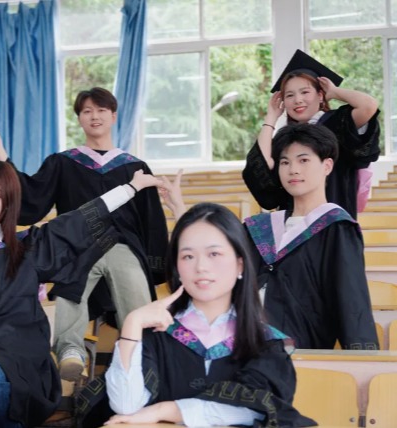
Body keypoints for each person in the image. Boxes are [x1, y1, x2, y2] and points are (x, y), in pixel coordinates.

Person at [0, 159, 163, 428]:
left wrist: (131, 188)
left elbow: (78, 220)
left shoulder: (27, 248)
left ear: (9, 202)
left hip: (13, 355)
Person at [0, 87, 168, 381]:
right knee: (69, 280)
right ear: (79, 118)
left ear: (114, 116)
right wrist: (1, 154)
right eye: (87, 111)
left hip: (121, 245)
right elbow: (31, 197)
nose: (94, 116)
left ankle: (143, 351)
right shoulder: (63, 162)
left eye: (101, 110)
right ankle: (70, 351)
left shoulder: (135, 167)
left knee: (132, 278)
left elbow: (150, 220)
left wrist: (154, 265)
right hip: (76, 245)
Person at [78, 203, 315, 427]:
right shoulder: (156, 332)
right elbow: (126, 406)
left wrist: (166, 410)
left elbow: (256, 410)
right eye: (188, 256)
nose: (201, 267)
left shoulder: (265, 341)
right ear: (177, 268)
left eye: (214, 254)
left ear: (240, 264)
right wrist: (132, 323)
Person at [244, 124, 377, 349]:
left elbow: (351, 302)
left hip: (301, 352)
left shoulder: (336, 228)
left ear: (327, 166)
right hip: (246, 347)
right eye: (285, 162)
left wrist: (362, 358)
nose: (293, 170)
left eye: (303, 160)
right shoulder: (260, 228)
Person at [243, 49, 380, 219]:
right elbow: (261, 165)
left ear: (320, 96)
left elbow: (368, 106)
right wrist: (271, 117)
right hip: (293, 222)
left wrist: (335, 92)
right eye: (289, 95)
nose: (298, 100)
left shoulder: (337, 123)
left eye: (305, 92)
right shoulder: (286, 138)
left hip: (333, 216)